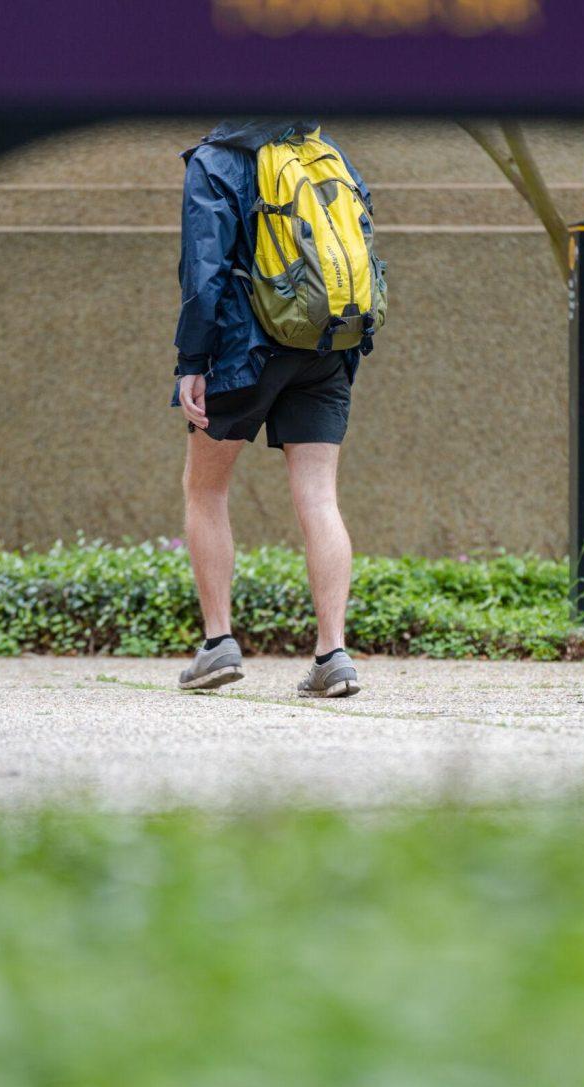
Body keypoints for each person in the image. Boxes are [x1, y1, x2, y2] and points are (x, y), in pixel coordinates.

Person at [173, 118, 377, 698]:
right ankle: (333, 654)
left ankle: (218, 644)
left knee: (205, 487)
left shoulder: (216, 159)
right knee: (319, 496)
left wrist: (193, 360)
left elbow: (204, 270)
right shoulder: (325, 150)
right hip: (324, 345)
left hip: (243, 348)